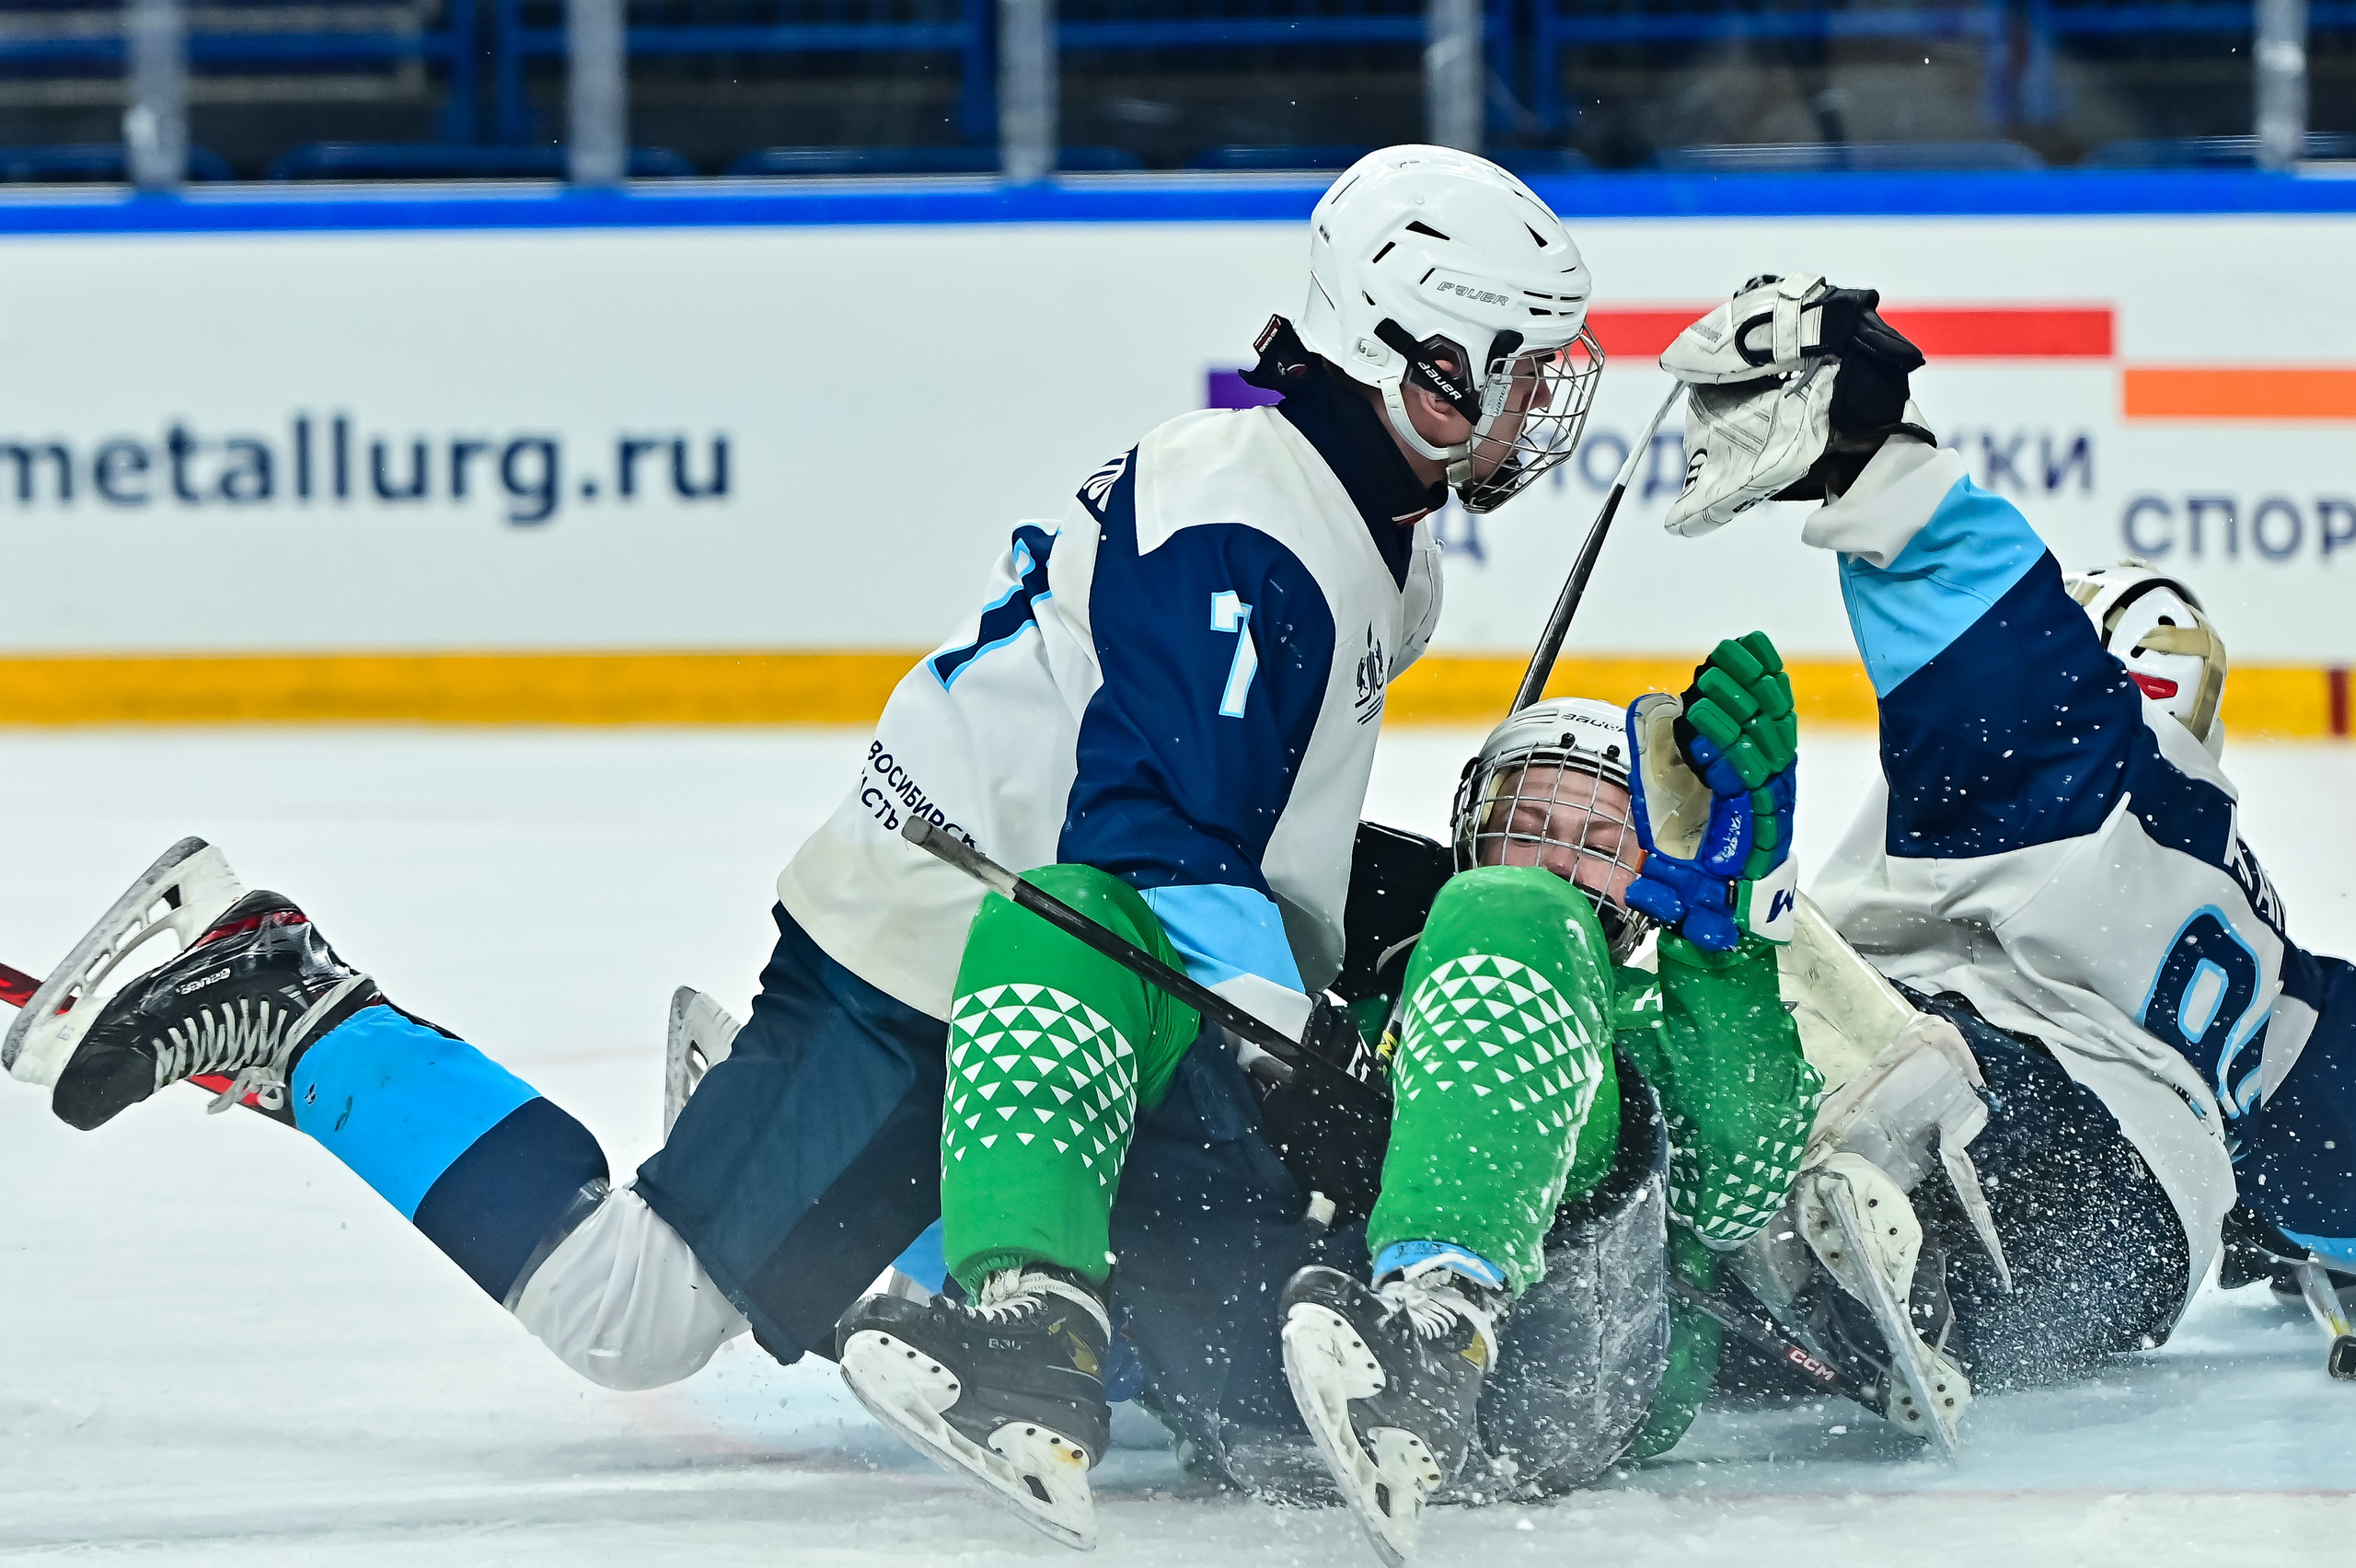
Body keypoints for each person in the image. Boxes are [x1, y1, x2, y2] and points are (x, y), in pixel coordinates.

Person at [2, 144, 1651, 1555]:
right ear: (1416, 359)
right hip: (928, 960)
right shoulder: (1250, 523)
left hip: (1051, 956)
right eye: (1517, 360)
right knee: (633, 1312)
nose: (1543, 399)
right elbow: (1151, 866)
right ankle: (297, 1005)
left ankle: (898, 1227)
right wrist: (1318, 1035)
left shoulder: (1350, 525)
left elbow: (1231, 829)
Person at [1652, 273, 2356, 1403]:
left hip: (1999, 1102)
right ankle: (1907, 1295)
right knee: (1959, 1296)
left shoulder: (2079, 763)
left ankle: (1797, 1230)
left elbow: (1983, 624)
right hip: (2139, 1251)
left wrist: (1862, 442)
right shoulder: (2284, 967)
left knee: (1824, 1089)